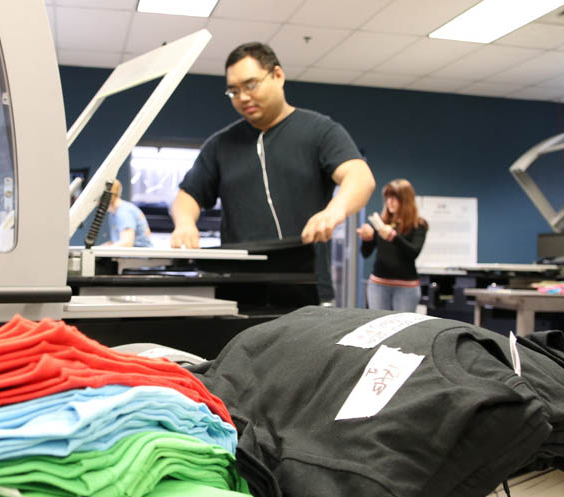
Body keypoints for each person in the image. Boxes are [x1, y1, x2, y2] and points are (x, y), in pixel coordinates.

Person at [169, 42, 376, 304]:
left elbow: (359, 176)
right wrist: (185, 223)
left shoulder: (320, 130)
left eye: (251, 85)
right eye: (234, 91)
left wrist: (335, 210)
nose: (242, 97)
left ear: (278, 76)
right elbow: (188, 196)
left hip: (305, 283)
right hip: (239, 284)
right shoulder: (220, 145)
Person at [358, 179, 428, 312]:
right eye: (387, 197)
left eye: (394, 197)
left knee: (403, 329)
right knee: (379, 327)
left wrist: (393, 237)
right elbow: (365, 253)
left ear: (406, 200)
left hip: (406, 287)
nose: (389, 202)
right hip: (378, 285)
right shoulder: (380, 223)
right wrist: (367, 238)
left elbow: (413, 252)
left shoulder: (418, 225)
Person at [104, 179, 154, 247]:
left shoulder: (123, 212)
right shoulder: (113, 214)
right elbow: (116, 242)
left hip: (138, 256)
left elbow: (127, 242)